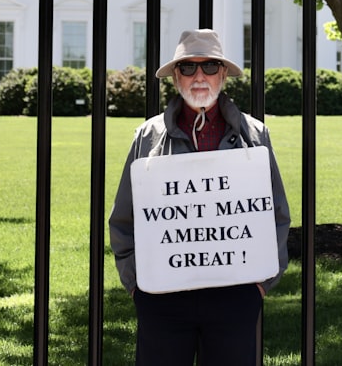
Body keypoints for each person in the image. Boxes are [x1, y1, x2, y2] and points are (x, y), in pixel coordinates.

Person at [109, 28, 291, 365]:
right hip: (162, 298)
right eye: (188, 68)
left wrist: (261, 285)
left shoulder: (255, 135)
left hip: (234, 298)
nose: (199, 78)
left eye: (209, 67)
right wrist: (136, 283)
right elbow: (124, 217)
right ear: (176, 77)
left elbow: (276, 215)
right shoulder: (148, 136)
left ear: (222, 74)